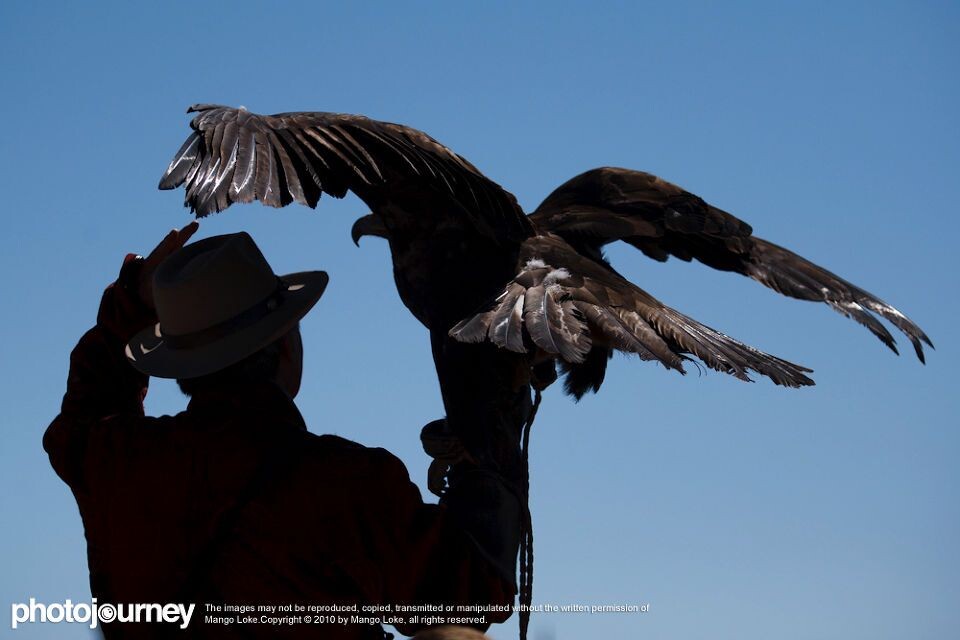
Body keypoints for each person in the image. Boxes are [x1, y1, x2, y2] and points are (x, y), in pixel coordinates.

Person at [44, 225, 522, 639]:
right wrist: (486, 456)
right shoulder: (348, 484)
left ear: (182, 367)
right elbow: (469, 594)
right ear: (286, 346)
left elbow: (85, 414)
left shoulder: (117, 465)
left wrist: (129, 305)